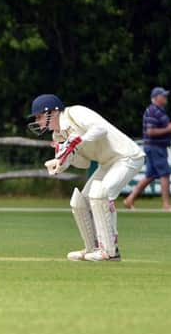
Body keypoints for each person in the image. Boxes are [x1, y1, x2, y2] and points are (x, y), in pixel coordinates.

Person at [28, 94, 144, 262]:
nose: (38, 122)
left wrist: (75, 142)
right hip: (107, 163)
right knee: (80, 201)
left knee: (99, 195)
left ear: (52, 112)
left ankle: (109, 252)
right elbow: (83, 163)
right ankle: (92, 248)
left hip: (126, 157)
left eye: (39, 116)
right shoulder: (58, 136)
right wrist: (61, 163)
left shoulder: (75, 113)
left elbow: (100, 129)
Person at [124, 87, 171, 211]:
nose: (165, 97)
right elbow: (150, 131)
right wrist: (168, 129)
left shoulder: (159, 111)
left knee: (150, 175)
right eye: (163, 96)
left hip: (156, 147)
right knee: (165, 174)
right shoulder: (153, 111)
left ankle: (129, 199)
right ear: (156, 97)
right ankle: (166, 205)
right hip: (155, 147)